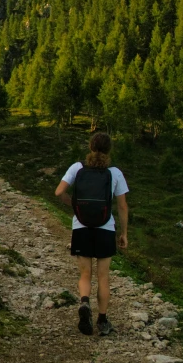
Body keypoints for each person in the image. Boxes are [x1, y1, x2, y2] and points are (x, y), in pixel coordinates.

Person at [55, 132, 128, 336]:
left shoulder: (77, 168)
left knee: (85, 273)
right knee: (103, 277)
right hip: (105, 228)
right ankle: (102, 321)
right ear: (109, 149)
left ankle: (85, 303)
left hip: (81, 227)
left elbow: (58, 192)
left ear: (90, 147)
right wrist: (124, 233)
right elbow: (122, 206)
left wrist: (75, 206)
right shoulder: (115, 173)